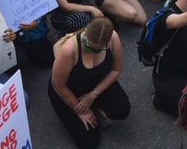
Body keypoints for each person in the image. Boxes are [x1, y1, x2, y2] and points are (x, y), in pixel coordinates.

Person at [48, 17, 130, 149]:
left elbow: (115, 70)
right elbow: (58, 85)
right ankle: (86, 111)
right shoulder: (69, 50)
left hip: (95, 82)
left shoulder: (113, 38)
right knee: (89, 142)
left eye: (99, 49)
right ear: (85, 33)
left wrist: (92, 95)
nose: (93, 51)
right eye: (90, 46)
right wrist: (81, 111)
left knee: (122, 110)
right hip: (68, 90)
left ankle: (95, 107)